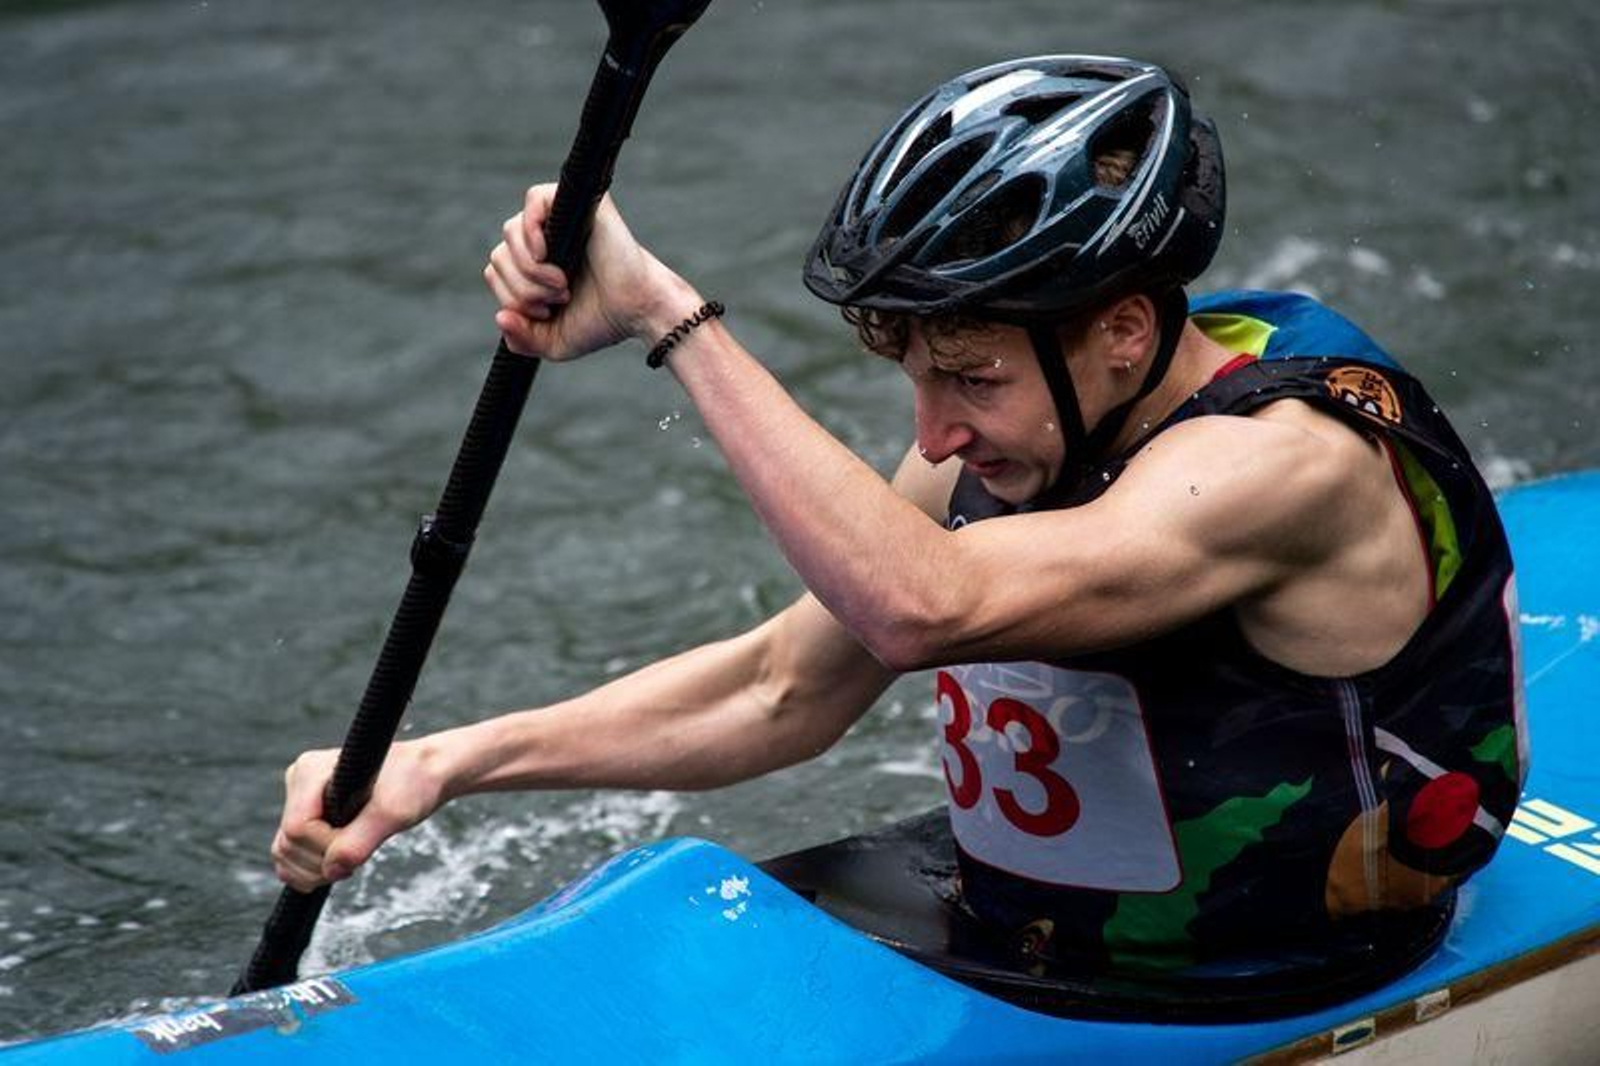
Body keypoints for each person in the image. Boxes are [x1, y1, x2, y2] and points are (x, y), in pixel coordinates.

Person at [274, 56, 1526, 987]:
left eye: (971, 379)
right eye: (918, 379)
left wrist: (667, 315)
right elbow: (781, 688)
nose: (931, 438)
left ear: (1125, 331)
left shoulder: (1282, 470)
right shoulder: (1047, 416)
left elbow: (922, 605)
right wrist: (442, 763)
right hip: (1021, 942)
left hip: (1274, 982)